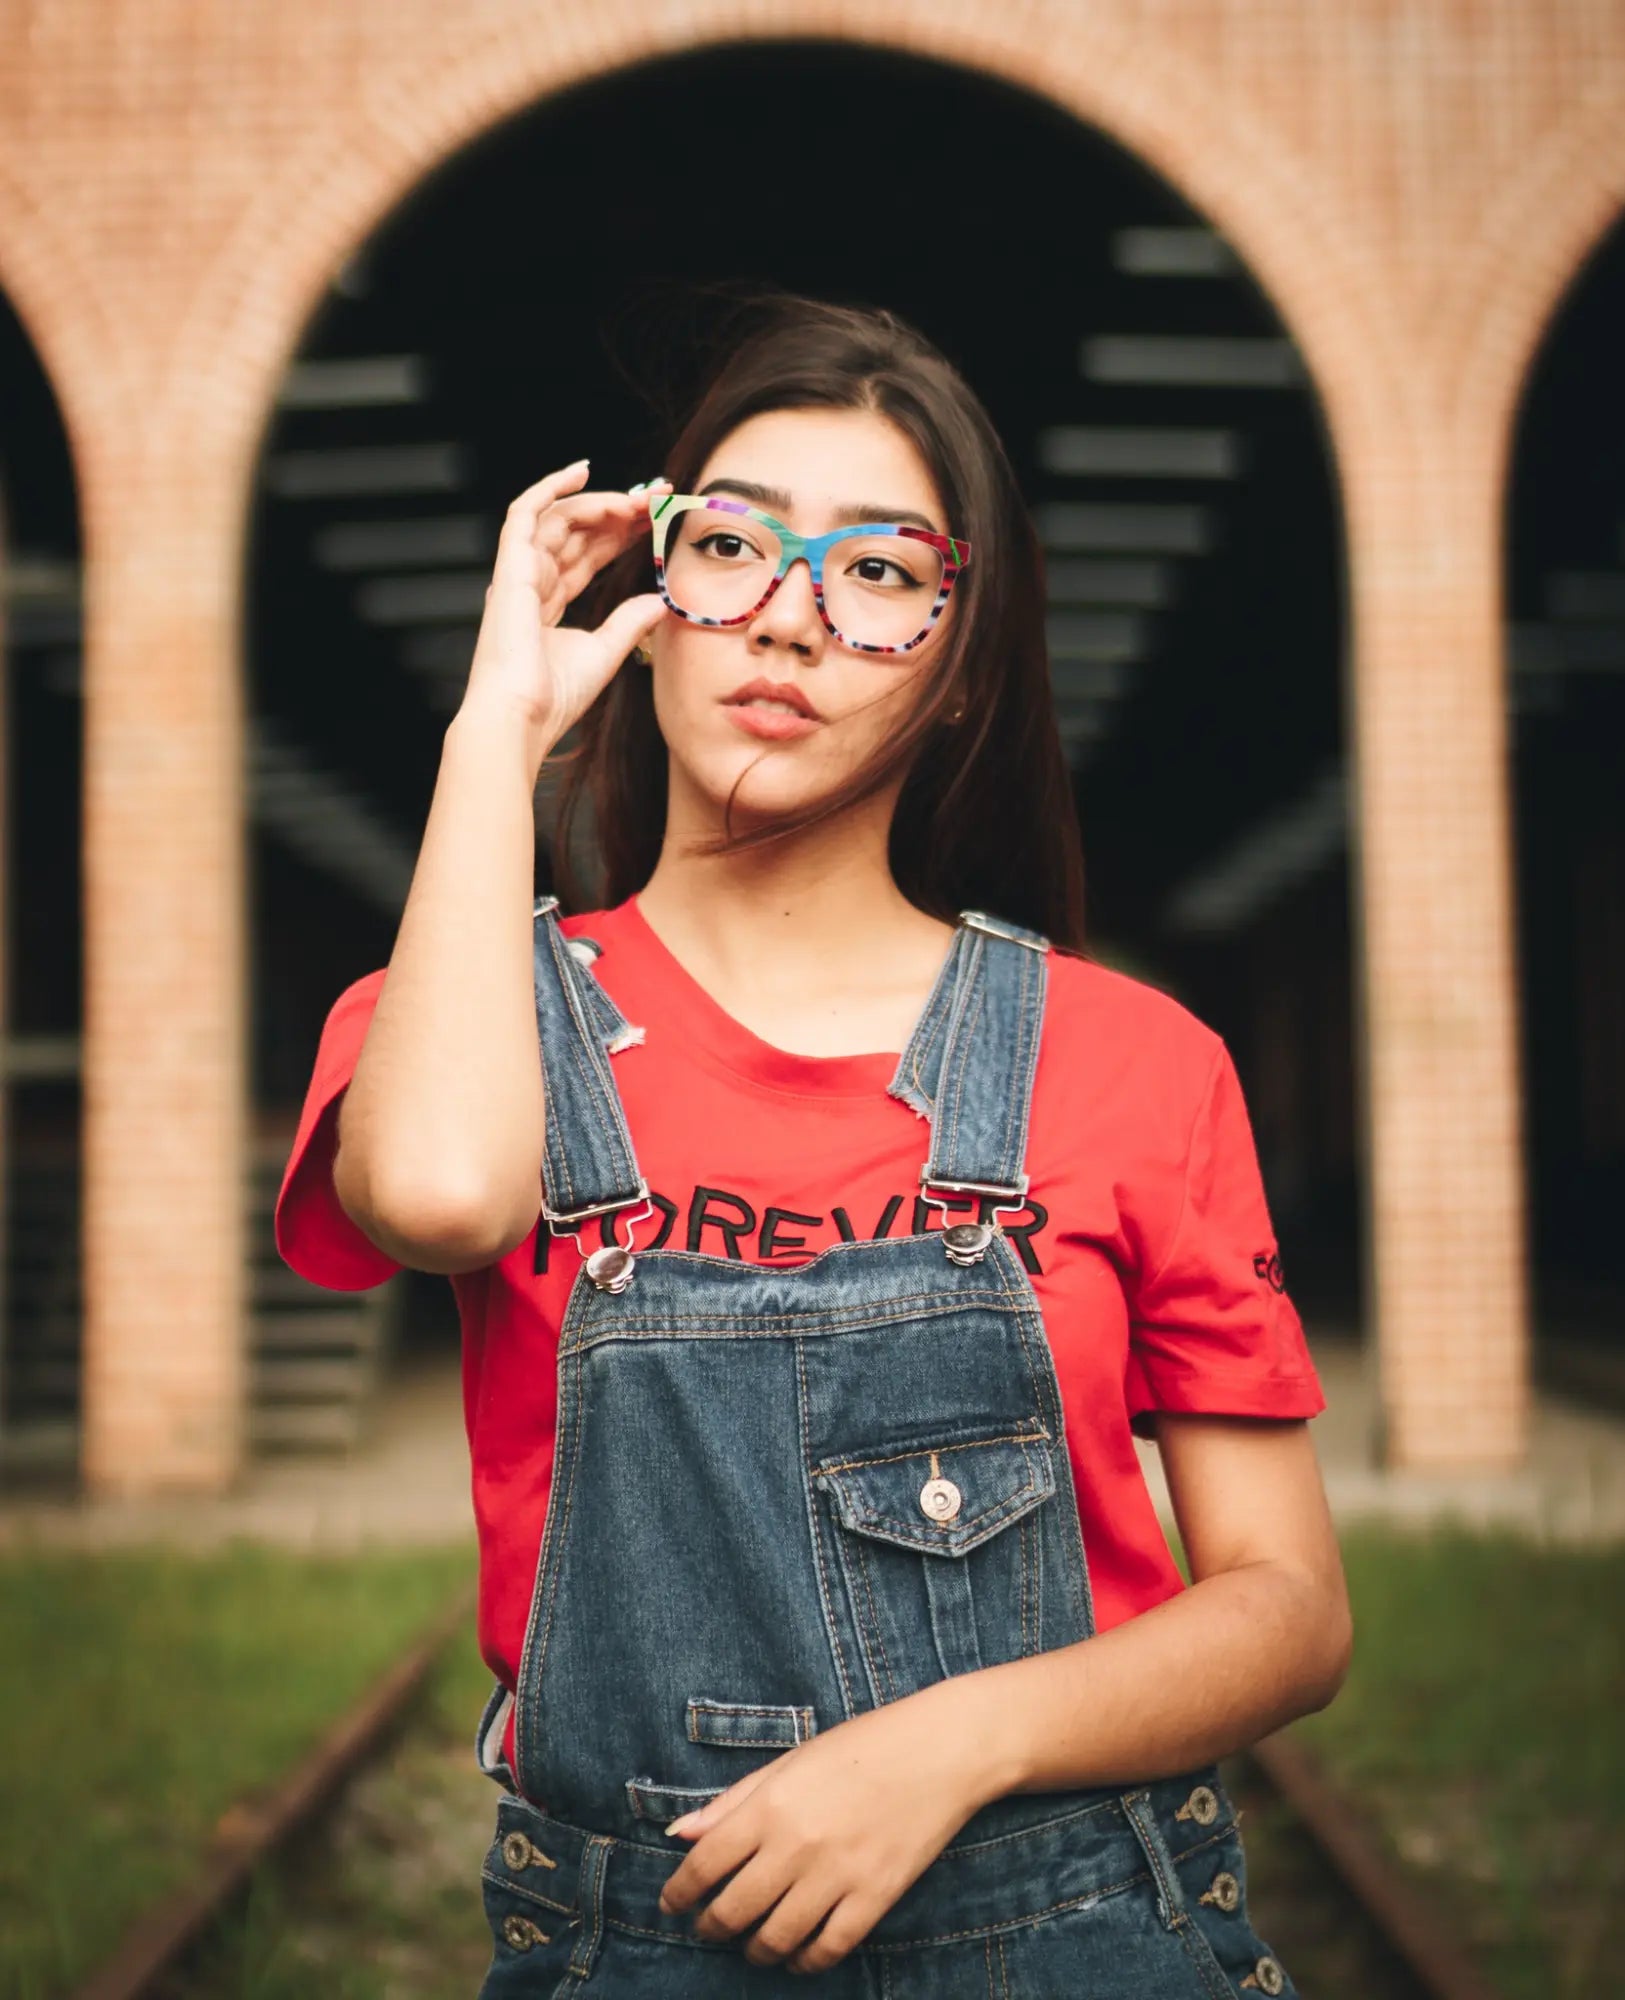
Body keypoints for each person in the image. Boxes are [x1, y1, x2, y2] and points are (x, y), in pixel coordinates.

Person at [276, 291, 1349, 1997]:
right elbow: (439, 1194)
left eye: (876, 572)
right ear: (652, 605)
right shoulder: (455, 1019)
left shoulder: (1136, 1061)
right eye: (730, 547)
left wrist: (948, 1748)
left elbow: (1287, 1607)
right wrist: (495, 731)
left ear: (961, 666)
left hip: (1080, 1935)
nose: (786, 617)